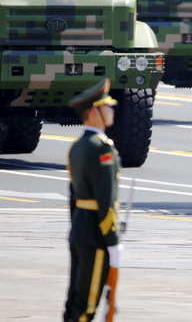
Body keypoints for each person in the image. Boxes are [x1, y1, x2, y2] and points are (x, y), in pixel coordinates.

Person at [63, 79, 122, 322]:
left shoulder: (77, 147)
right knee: (87, 306)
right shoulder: (101, 148)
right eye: (106, 106)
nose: (111, 111)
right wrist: (112, 240)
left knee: (75, 300)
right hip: (97, 234)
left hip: (79, 228)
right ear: (93, 112)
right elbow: (105, 199)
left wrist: (77, 225)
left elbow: (72, 196)